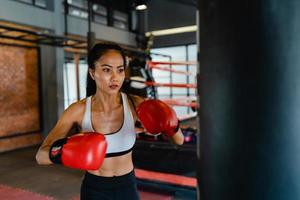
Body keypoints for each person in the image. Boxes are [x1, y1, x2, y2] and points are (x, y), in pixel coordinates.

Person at [35, 42, 184, 200]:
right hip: (95, 189)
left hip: (127, 187)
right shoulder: (77, 111)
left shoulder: (136, 105)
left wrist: (170, 122)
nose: (115, 77)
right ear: (92, 73)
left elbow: (179, 141)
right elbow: (40, 156)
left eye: (120, 70)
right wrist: (65, 152)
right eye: (106, 70)